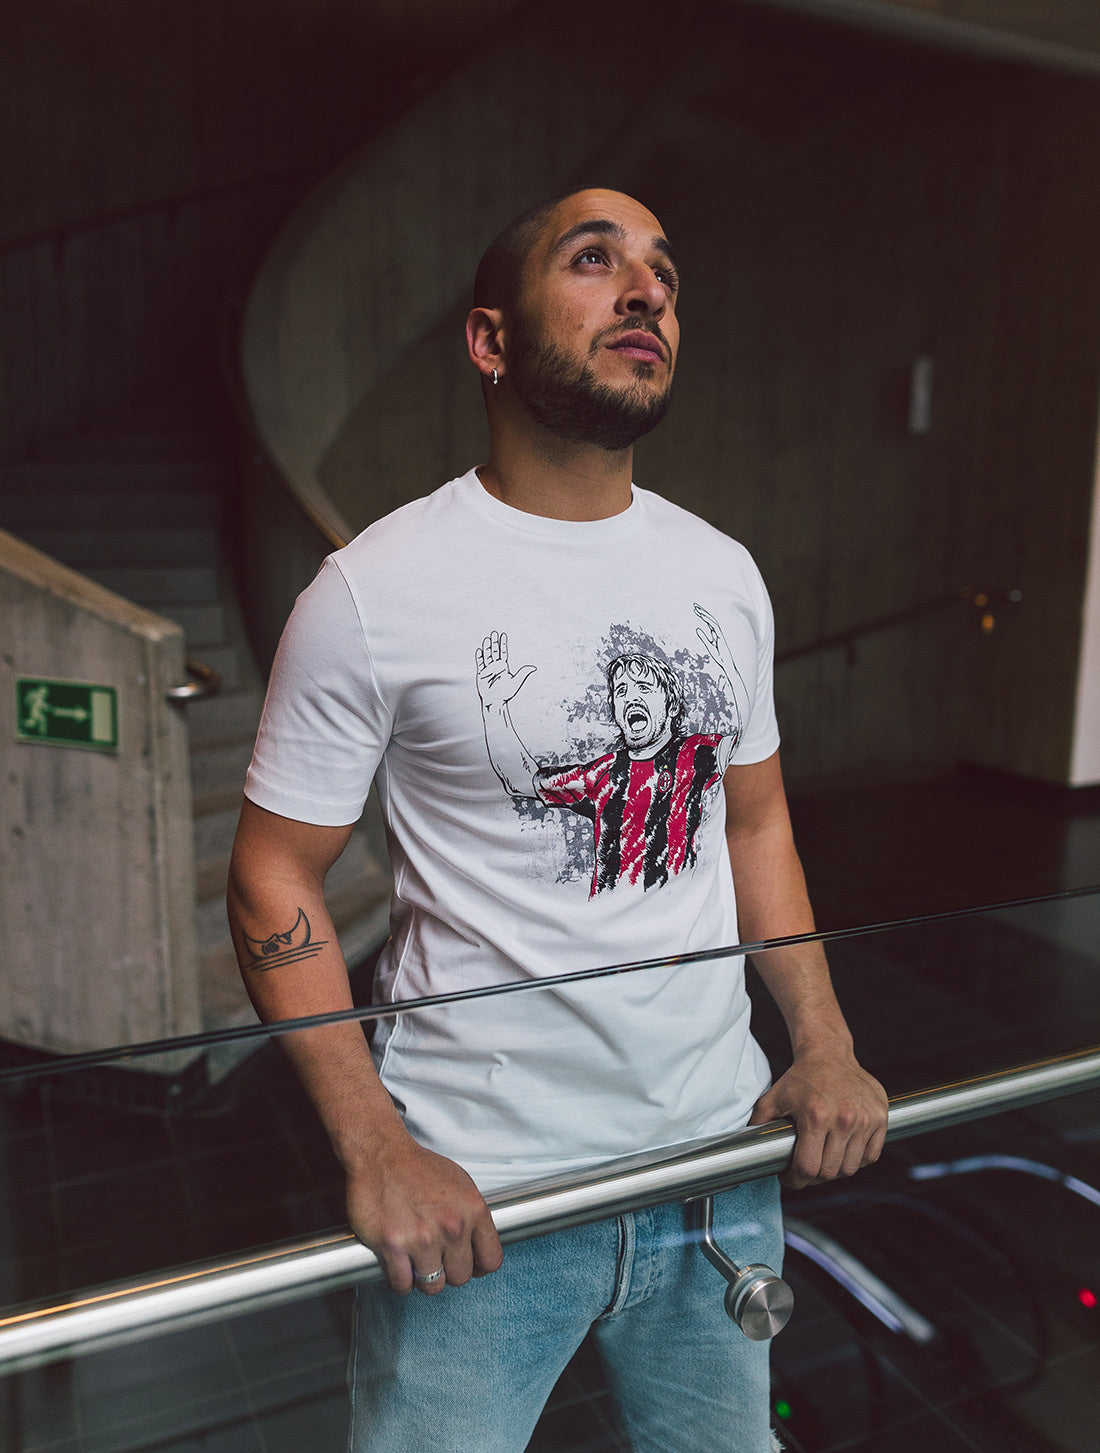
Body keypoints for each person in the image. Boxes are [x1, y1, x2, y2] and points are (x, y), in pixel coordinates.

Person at [228, 187, 888, 1453]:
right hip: (480, 1195)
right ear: (489, 339)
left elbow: (752, 825)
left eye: (664, 274)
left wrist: (822, 1040)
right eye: (594, 259)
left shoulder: (721, 574)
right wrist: (376, 1147)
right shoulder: (372, 591)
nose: (647, 292)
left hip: (712, 1167)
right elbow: (272, 876)